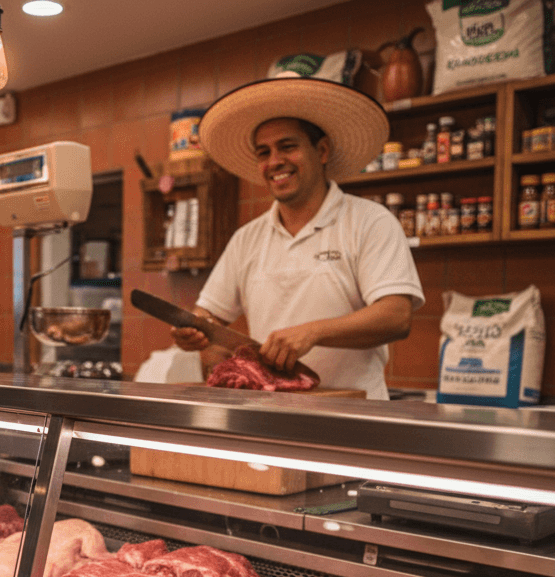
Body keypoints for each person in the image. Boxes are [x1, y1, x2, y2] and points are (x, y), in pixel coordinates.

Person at [170, 74, 423, 400]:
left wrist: (313, 332)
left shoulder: (370, 221)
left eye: (287, 146)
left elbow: (396, 316)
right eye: (264, 152)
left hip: (355, 417)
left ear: (321, 151)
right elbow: (211, 314)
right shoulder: (247, 238)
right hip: (272, 416)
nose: (275, 162)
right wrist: (195, 329)